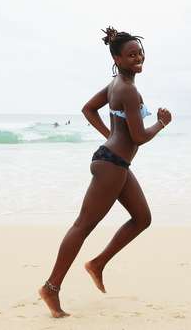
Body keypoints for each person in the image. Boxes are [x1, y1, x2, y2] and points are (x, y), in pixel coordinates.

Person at [38, 27, 172, 318]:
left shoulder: (116, 84)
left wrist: (109, 134)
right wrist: (161, 123)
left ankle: (97, 264)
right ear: (117, 58)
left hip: (115, 162)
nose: (138, 57)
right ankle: (51, 287)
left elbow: (88, 109)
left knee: (142, 218)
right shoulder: (127, 89)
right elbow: (138, 137)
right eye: (131, 54)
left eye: (140, 52)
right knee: (83, 226)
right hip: (111, 164)